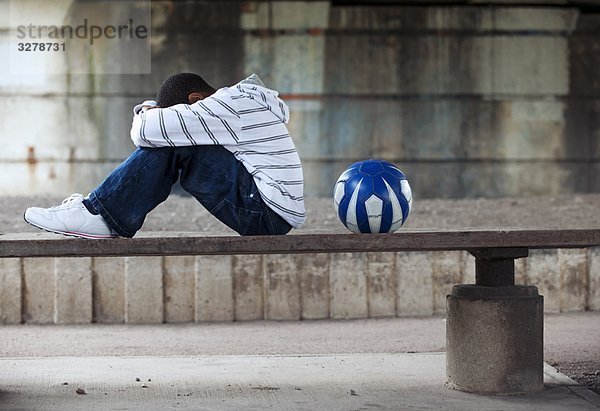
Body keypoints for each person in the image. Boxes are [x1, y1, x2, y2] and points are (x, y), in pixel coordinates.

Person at [24, 73, 306, 238]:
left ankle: (102, 215)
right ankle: (99, 213)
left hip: (264, 213)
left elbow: (145, 131)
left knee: (176, 143)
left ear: (194, 100)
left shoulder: (226, 106)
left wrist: (149, 110)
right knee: (175, 138)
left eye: (182, 113)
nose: (186, 120)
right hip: (268, 210)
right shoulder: (237, 103)